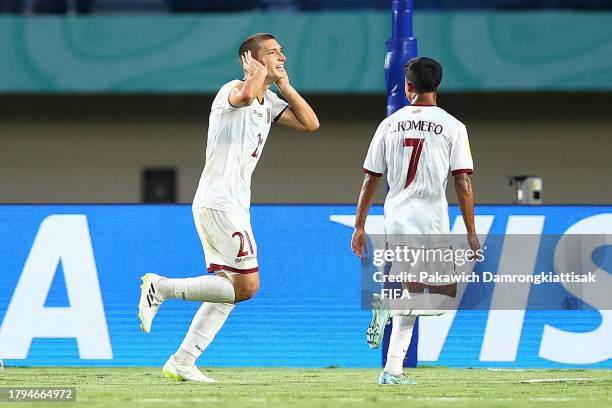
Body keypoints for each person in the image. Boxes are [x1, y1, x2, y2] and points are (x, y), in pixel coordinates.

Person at [137, 33, 319, 383]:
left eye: (281, 50)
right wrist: (254, 74)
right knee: (247, 287)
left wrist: (285, 85)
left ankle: (183, 362)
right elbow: (246, 94)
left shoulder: (270, 101)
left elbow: (311, 123)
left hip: (230, 204)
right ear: (250, 60)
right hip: (220, 202)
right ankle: (160, 287)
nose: (281, 56)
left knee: (229, 288)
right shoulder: (232, 90)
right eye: (271, 52)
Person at [350, 57, 480, 385]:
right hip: (432, 220)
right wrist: (471, 231)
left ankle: (392, 370)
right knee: (436, 303)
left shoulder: (388, 124)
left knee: (413, 297)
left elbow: (371, 180)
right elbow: (462, 182)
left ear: (408, 87)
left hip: (396, 219)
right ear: (437, 86)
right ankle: (387, 307)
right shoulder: (453, 126)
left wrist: (359, 224)